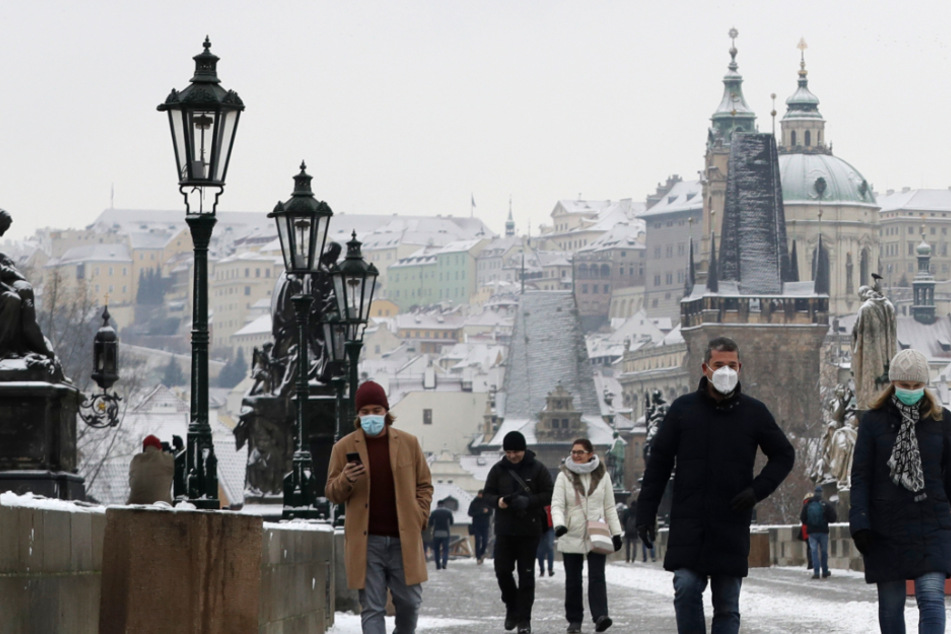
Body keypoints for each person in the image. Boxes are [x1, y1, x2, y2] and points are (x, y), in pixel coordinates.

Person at [636, 336, 795, 634]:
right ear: (705, 368)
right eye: (719, 364)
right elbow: (658, 463)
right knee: (685, 588)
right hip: (689, 520)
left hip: (731, 521)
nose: (726, 371)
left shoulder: (754, 412)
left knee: (727, 605)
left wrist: (757, 490)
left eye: (731, 365)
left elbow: (784, 454)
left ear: (740, 367)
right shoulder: (683, 409)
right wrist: (646, 512)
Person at [850, 348, 951, 634]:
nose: (910, 390)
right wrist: (860, 522)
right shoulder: (872, 422)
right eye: (904, 385)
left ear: (925, 385)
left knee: (932, 599)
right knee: (891, 607)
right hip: (886, 526)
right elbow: (861, 476)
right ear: (893, 383)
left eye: (916, 385)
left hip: (931, 523)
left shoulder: (943, 421)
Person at [326, 380, 434, 634]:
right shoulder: (343, 447)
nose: (371, 416)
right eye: (365, 412)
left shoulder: (408, 443)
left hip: (403, 538)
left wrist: (419, 516)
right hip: (367, 542)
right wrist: (346, 479)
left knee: (409, 604)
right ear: (358, 415)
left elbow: (424, 485)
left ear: (386, 411)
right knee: (372, 608)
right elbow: (332, 492)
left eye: (376, 410)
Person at [483, 431, 554, 634]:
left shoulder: (537, 468)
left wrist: (529, 501)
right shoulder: (498, 470)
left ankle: (524, 619)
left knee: (526, 576)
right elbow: (487, 494)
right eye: (508, 452)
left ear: (523, 450)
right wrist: (498, 501)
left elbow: (549, 493)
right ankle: (511, 606)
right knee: (502, 571)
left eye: (516, 452)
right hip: (505, 529)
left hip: (529, 530)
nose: (512, 456)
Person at [551, 438, 623, 633]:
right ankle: (574, 621)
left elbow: (609, 506)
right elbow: (557, 504)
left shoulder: (602, 475)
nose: (575, 455)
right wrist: (559, 524)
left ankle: (600, 615)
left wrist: (616, 533)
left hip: (596, 531)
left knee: (597, 576)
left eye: (580, 452)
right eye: (573, 452)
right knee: (573, 580)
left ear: (591, 454)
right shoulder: (563, 476)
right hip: (571, 531)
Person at [800, 485, 837, 579]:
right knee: (824, 551)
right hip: (823, 531)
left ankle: (816, 572)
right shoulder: (825, 504)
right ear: (821, 493)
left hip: (812, 532)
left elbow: (803, 518)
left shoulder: (808, 504)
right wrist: (825, 520)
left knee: (814, 551)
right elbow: (833, 518)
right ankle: (825, 571)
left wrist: (810, 523)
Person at [127, 434, 174, 504]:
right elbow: (182, 463)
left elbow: (131, 483)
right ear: (159, 447)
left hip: (135, 505)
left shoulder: (136, 459)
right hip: (161, 506)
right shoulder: (167, 459)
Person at [468, 489, 493, 564]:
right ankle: (478, 557)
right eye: (480, 494)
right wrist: (480, 512)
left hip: (485, 525)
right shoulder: (474, 503)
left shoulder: (487, 503)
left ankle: (482, 553)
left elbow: (491, 512)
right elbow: (470, 513)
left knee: (485, 541)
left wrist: (487, 511)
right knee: (477, 541)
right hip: (476, 525)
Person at [430, 499, 454, 570]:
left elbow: (430, 523)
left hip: (436, 533)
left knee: (436, 549)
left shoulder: (434, 512)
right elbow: (451, 522)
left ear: (437, 505)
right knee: (445, 549)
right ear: (444, 505)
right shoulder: (448, 512)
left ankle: (438, 564)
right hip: (445, 533)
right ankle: (444, 563)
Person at [536, 505, 555, 577]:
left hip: (550, 527)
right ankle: (542, 570)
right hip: (539, 527)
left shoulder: (551, 501)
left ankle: (550, 569)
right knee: (540, 550)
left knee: (550, 546)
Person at [621, 496, 639, 563]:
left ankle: (627, 558)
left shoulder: (627, 512)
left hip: (628, 531)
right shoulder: (638, 512)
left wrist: (625, 527)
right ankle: (633, 558)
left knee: (627, 546)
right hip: (635, 531)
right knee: (634, 546)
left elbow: (623, 521)